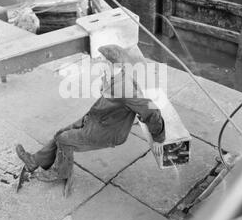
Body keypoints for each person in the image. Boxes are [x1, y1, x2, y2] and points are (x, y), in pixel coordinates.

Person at [16, 45, 165, 198]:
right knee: (59, 133)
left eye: (102, 60)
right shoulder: (113, 76)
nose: (98, 62)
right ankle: (34, 161)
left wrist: (159, 138)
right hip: (97, 119)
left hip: (108, 132)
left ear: (112, 64)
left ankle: (61, 172)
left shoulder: (126, 88)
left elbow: (151, 110)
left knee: (64, 140)